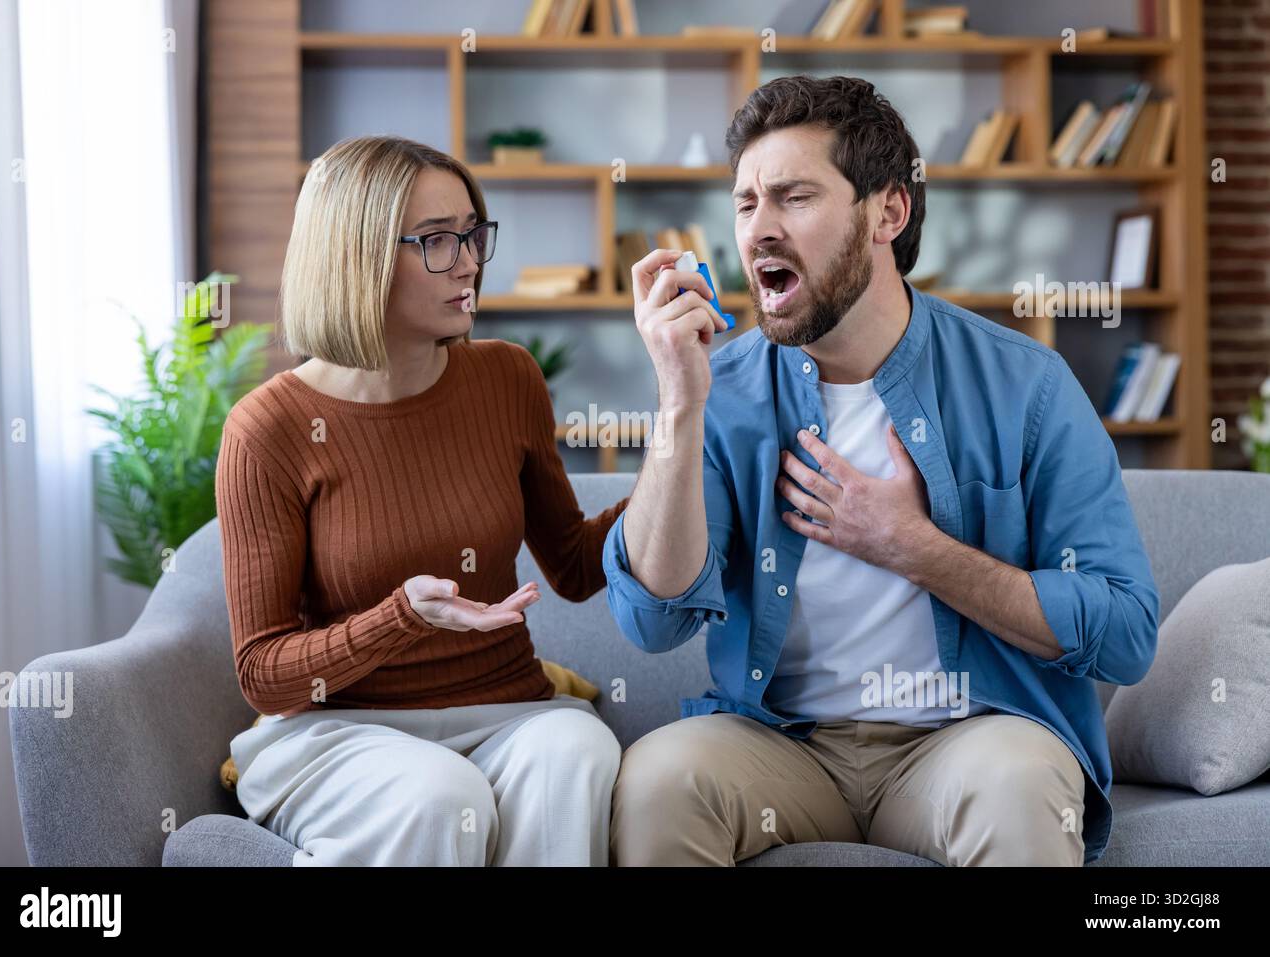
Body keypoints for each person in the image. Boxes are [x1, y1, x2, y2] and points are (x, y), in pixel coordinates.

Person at [604, 75, 1159, 866]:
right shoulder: (718, 392)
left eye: (793, 197)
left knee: (1018, 781)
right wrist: (678, 406)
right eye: (746, 203)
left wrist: (913, 547)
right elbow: (652, 621)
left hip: (965, 739)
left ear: (886, 213)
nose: (759, 229)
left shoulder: (1024, 385)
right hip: (784, 747)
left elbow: (1128, 633)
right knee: (658, 779)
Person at [217, 135, 626, 866]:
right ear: (356, 254)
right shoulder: (268, 428)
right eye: (437, 240)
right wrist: (399, 617)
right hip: (337, 733)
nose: (469, 262)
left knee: (577, 747)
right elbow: (264, 673)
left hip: (507, 708)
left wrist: (683, 458)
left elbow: (572, 564)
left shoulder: (506, 378)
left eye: (472, 234)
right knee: (442, 795)